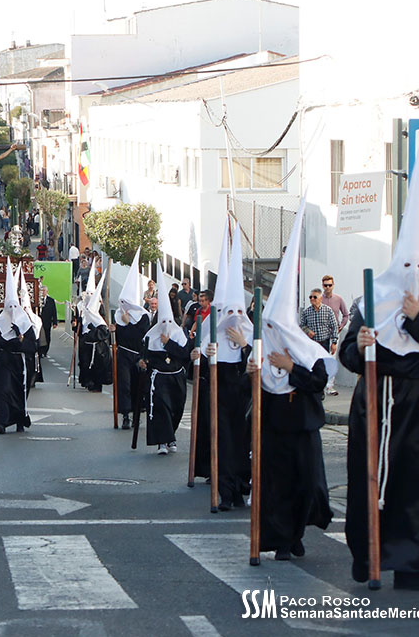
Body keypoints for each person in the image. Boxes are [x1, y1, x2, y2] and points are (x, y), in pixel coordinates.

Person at [340, 114, 419, 591]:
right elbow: (348, 353)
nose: (412, 274)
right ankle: (368, 556)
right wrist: (360, 345)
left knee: (418, 483)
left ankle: (410, 563)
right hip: (378, 398)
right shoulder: (373, 298)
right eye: (406, 264)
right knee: (367, 480)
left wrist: (417, 318)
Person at [248, 196, 333, 560]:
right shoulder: (264, 350)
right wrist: (252, 373)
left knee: (308, 485)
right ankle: (283, 540)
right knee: (278, 486)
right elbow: (254, 388)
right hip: (274, 428)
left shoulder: (307, 349)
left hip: (303, 427)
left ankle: (297, 530)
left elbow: (317, 382)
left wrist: (290, 366)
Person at [191, 224, 253, 509]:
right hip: (221, 396)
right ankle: (226, 492)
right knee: (224, 443)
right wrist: (203, 356)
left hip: (245, 399)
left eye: (239, 311)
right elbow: (197, 363)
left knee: (243, 445)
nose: (235, 316)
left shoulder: (249, 334)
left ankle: (241, 487)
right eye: (230, 311)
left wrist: (244, 345)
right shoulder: (212, 333)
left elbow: (259, 364)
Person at [141, 264, 190, 455]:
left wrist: (169, 343)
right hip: (159, 378)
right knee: (161, 408)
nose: (166, 325)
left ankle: (171, 436)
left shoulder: (178, 335)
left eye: (169, 322)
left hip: (176, 377)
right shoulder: (151, 336)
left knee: (176, 408)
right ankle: (163, 441)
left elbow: (184, 354)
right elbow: (144, 355)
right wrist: (142, 362)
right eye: (163, 322)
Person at [0, 260, 36, 433]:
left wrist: (21, 339)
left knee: (20, 391)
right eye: (10, 307)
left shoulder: (25, 324)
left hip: (21, 363)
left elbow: (32, 345)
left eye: (15, 306)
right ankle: (1, 422)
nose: (13, 310)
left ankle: (19, 420)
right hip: (5, 362)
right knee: (5, 390)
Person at [111, 250, 150, 432]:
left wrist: (127, 324)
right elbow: (119, 338)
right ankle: (125, 415)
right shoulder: (118, 315)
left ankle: (136, 415)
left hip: (138, 355)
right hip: (123, 354)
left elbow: (139, 335)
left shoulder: (144, 317)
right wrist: (114, 331)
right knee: (124, 385)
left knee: (137, 386)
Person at [76, 268, 112, 393]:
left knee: (97, 365)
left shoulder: (98, 309)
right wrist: (76, 325)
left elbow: (102, 328)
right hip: (85, 341)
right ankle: (87, 380)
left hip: (97, 345)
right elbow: (80, 324)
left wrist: (93, 329)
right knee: (85, 362)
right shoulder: (83, 308)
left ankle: (96, 384)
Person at [319, 275, 349, 396]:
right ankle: (321, 385)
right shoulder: (319, 299)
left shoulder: (338, 299)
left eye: (329, 285)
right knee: (321, 358)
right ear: (322, 286)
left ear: (333, 285)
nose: (327, 288)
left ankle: (330, 386)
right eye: (325, 285)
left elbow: (346, 314)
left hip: (334, 333)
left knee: (332, 358)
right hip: (321, 334)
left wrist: (341, 325)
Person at [299, 288, 338, 356]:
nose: (312, 299)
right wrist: (308, 331)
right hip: (312, 343)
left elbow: (334, 326)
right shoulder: (306, 312)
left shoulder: (328, 310)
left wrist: (334, 343)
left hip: (325, 343)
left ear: (321, 298)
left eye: (315, 297)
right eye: (310, 297)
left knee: (324, 361)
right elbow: (301, 325)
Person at [38, 282, 58, 357]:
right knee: (40, 337)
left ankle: (45, 351)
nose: (42, 292)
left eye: (44, 291)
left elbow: (54, 312)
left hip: (47, 322)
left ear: (47, 292)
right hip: (39, 322)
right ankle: (40, 351)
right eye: (41, 291)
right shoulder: (37, 300)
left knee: (47, 336)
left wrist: (55, 322)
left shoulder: (51, 300)